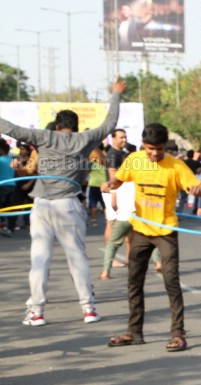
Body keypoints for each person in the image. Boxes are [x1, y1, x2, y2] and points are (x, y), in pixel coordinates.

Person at [0, 78, 125, 326]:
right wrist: (115, 94)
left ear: (58, 126)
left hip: (43, 205)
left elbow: (11, 129)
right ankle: (88, 309)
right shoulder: (85, 139)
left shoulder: (45, 137)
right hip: (69, 205)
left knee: (39, 259)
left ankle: (36, 312)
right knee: (77, 257)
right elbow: (110, 123)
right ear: (75, 127)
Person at [104, 123, 201, 351]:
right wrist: (109, 185)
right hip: (140, 229)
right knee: (134, 281)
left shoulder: (176, 166)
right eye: (150, 149)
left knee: (171, 282)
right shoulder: (135, 160)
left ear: (165, 146)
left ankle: (178, 334)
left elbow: (196, 185)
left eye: (158, 149)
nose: (154, 153)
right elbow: (119, 180)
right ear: (143, 145)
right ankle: (134, 332)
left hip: (165, 231)